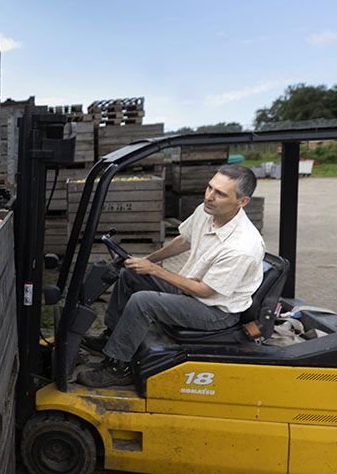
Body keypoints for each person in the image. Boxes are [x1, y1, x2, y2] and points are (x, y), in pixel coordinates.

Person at [77, 164, 265, 387]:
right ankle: (113, 336)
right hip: (191, 292)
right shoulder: (208, 212)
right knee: (130, 276)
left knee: (143, 302)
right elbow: (183, 240)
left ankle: (119, 366)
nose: (209, 196)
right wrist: (149, 261)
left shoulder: (241, 246)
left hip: (215, 311)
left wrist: (156, 271)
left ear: (242, 201)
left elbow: (205, 291)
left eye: (220, 194)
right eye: (210, 188)